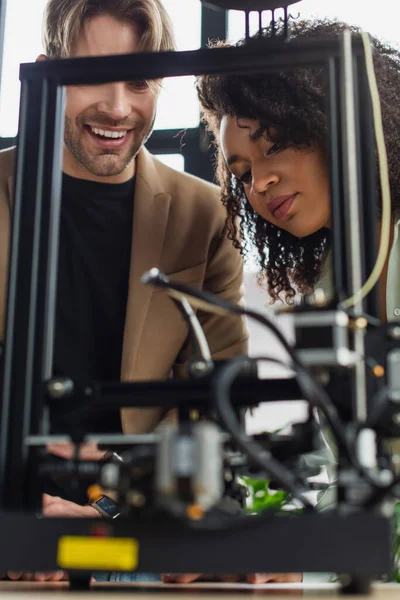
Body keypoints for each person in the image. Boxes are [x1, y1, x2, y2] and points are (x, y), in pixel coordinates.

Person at [0, 0, 299, 587]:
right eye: (92, 76)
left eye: (139, 81)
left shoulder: (204, 215)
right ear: (46, 71)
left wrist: (115, 513)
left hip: (133, 539)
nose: (117, 107)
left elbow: (216, 398)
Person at [196, 18, 400, 321]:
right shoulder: (330, 276)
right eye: (245, 175)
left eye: (276, 145)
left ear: (335, 126)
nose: (260, 184)